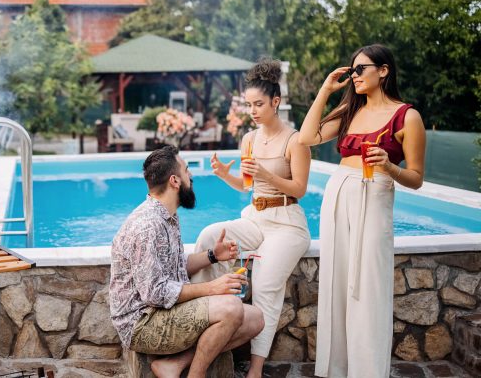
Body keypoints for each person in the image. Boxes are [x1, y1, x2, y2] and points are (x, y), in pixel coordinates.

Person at [297, 44, 426, 378]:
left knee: (369, 285)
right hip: (339, 193)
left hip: (376, 193)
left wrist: (390, 166)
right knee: (336, 282)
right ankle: (336, 370)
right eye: (352, 70)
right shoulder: (348, 110)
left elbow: (416, 178)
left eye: (360, 69)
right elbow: (306, 138)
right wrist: (326, 90)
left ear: (383, 71)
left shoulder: (407, 116)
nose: (354, 76)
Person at [191, 58, 311, 378]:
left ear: (276, 101)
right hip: (256, 217)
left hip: (287, 223)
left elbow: (300, 188)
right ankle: (201, 322)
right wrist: (223, 175)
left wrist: (266, 175)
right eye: (249, 105)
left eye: (259, 104)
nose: (253, 111)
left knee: (266, 284)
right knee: (208, 236)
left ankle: (256, 367)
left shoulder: (295, 140)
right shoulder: (249, 139)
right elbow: (247, 185)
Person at [109, 146, 264, 378]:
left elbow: (175, 265)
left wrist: (213, 255)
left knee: (255, 319)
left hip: (163, 312)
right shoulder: (147, 226)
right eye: (186, 170)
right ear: (174, 181)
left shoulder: (167, 216)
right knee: (231, 308)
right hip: (142, 324)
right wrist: (213, 288)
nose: (190, 176)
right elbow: (155, 293)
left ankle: (174, 364)